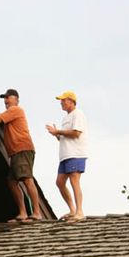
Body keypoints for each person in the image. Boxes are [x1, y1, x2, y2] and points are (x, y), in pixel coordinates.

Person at [0, 89, 42, 223]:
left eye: (8, 98)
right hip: (15, 152)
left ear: (16, 99)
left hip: (22, 148)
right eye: (4, 99)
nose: (5, 101)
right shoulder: (10, 113)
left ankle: (37, 212)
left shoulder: (15, 110)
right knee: (12, 181)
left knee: (26, 179)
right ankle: (23, 213)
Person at [45, 91, 88, 222]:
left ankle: (79, 212)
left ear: (71, 101)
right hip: (65, 155)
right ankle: (72, 210)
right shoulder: (65, 118)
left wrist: (58, 131)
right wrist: (57, 135)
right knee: (60, 182)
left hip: (76, 153)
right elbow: (64, 138)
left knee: (74, 181)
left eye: (63, 100)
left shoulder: (78, 114)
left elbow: (76, 133)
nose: (61, 103)